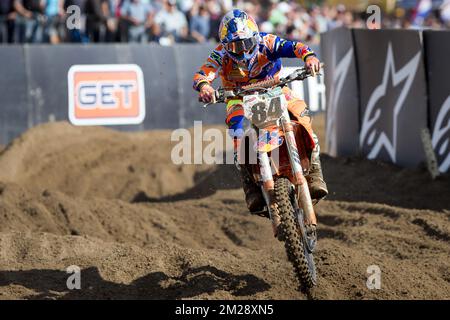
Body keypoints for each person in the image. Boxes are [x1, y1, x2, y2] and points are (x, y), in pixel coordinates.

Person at [193, 9, 328, 213]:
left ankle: (315, 171)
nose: (241, 49)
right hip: (237, 97)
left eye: (246, 43)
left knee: (302, 114)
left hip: (274, 88)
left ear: (254, 36)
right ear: (225, 44)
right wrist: (204, 87)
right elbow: (203, 73)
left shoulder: (268, 42)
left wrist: (309, 58)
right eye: (234, 45)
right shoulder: (220, 53)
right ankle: (250, 187)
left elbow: (296, 47)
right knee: (237, 132)